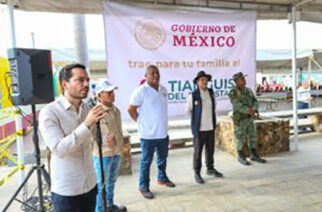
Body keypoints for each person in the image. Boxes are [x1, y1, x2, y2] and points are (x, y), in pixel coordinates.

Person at [39, 63, 105, 212]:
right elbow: (59, 150)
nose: (86, 84)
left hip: (90, 184)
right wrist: (87, 124)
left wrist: (104, 135)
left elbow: (91, 139)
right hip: (67, 191)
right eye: (80, 80)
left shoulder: (87, 109)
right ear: (64, 84)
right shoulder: (50, 112)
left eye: (87, 80)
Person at [128, 65, 175, 199]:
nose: (155, 75)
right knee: (146, 162)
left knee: (162, 158)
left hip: (162, 134)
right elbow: (130, 109)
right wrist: (140, 122)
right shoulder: (141, 91)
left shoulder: (163, 90)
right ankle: (143, 186)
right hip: (147, 135)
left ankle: (162, 178)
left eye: (157, 73)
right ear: (146, 76)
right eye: (152, 73)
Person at [91, 80, 127, 212]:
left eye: (113, 92)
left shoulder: (115, 110)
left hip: (116, 153)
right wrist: (106, 141)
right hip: (103, 155)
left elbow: (118, 130)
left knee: (111, 181)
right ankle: (100, 209)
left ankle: (110, 206)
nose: (112, 95)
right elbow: (90, 134)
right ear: (100, 95)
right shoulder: (95, 112)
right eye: (109, 92)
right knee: (101, 185)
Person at [185, 71, 223, 184]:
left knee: (210, 150)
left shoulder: (211, 93)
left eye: (206, 80)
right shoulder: (193, 95)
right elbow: (188, 110)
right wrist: (197, 120)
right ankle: (197, 172)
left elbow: (214, 106)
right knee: (198, 152)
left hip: (210, 127)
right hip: (199, 130)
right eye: (202, 80)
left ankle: (210, 168)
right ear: (197, 82)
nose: (205, 82)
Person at [228, 72, 266, 166]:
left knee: (252, 136)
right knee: (240, 137)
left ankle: (253, 154)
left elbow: (255, 101)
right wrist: (249, 111)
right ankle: (241, 156)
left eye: (244, 78)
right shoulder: (233, 92)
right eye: (242, 79)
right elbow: (237, 105)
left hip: (249, 118)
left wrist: (254, 109)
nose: (244, 80)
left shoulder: (248, 90)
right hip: (240, 119)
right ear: (237, 81)